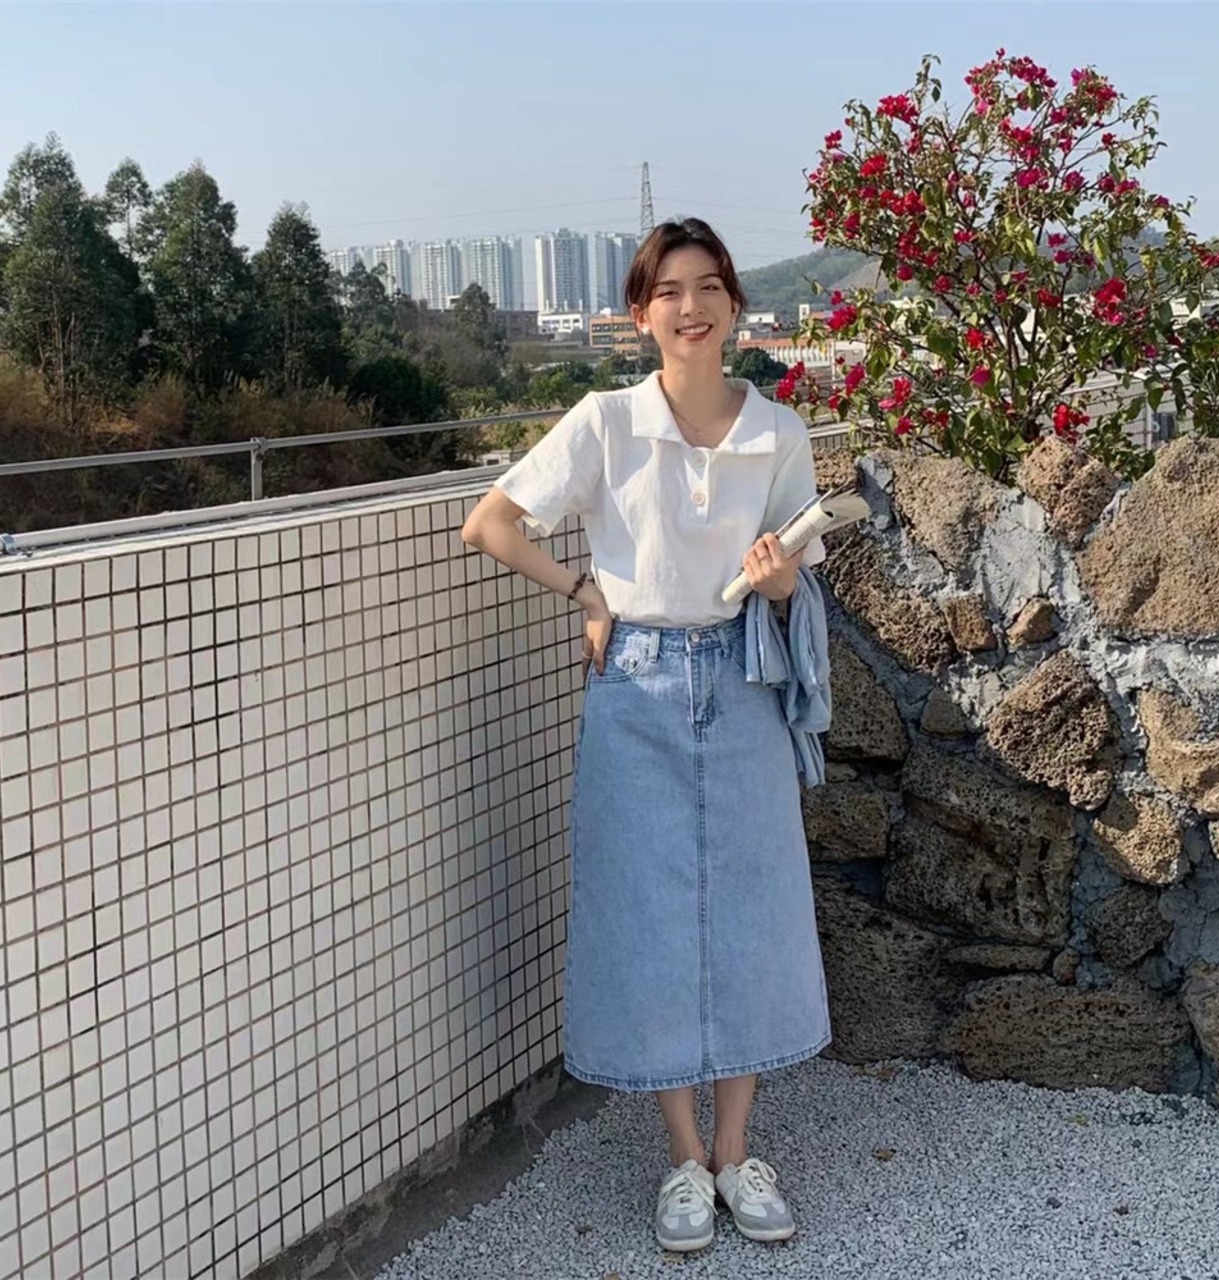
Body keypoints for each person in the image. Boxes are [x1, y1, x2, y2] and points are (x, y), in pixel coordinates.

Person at [460, 218, 830, 1253]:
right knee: (648, 914)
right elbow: (490, 523)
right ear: (639, 314)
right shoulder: (606, 421)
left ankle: (736, 1152)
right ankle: (683, 1156)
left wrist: (778, 581)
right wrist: (585, 591)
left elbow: (800, 576)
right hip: (636, 682)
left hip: (742, 679)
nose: (690, 307)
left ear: (734, 305)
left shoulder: (779, 431)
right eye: (668, 291)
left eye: (708, 287)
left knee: (752, 908)